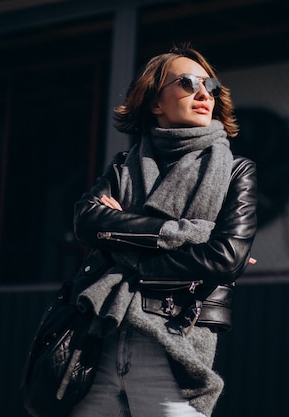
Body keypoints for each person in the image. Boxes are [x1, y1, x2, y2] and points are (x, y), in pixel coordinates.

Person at [68, 44, 257, 417]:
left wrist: (121, 244)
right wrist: (190, 233)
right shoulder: (125, 165)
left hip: (176, 347)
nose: (204, 94)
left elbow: (226, 257)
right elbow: (86, 221)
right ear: (155, 102)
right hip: (100, 345)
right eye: (187, 83)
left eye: (210, 85)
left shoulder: (236, 171)